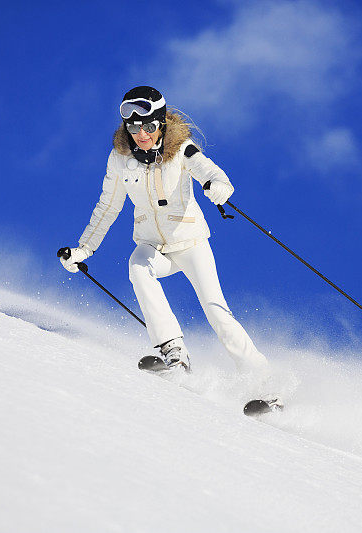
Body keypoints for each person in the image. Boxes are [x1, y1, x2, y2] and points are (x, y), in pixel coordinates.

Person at [60, 86, 269, 375]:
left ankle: (264, 382)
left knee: (216, 310)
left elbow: (210, 172)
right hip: (153, 245)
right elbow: (108, 206)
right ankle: (174, 352)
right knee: (138, 266)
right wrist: (84, 248)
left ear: (161, 123)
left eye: (148, 126)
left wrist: (219, 187)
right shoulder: (119, 158)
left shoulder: (181, 149)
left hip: (190, 242)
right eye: (133, 126)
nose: (141, 134)